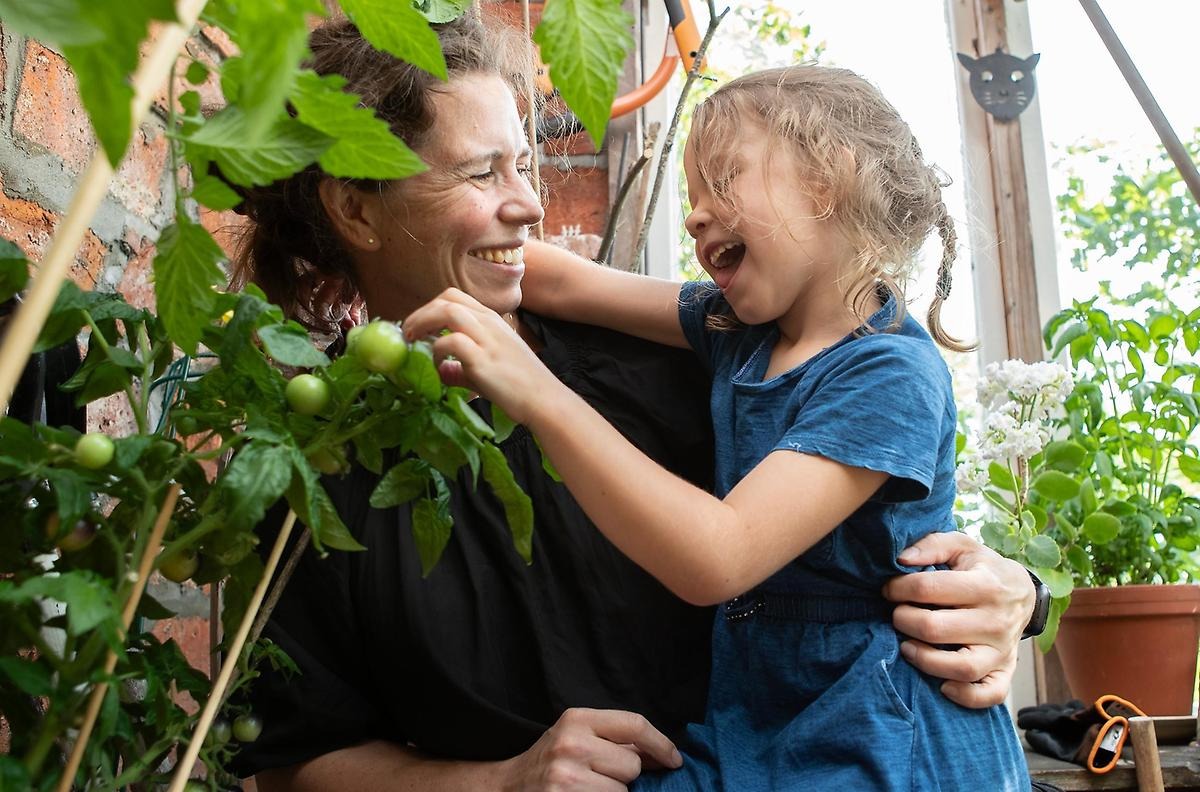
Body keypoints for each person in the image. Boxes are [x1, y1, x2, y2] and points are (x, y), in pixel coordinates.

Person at [230, 15, 1038, 792]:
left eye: (525, 166)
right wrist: (502, 783)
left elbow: (871, 532)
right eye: (483, 172)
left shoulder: (710, 351)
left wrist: (1025, 595)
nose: (532, 205)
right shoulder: (306, 464)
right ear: (356, 210)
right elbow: (295, 760)